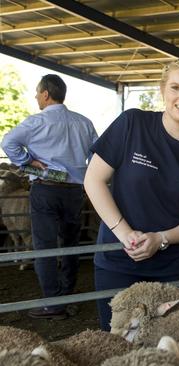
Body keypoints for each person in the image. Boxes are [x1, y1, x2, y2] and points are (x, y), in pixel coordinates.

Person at [84, 58, 179, 330]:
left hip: (171, 266)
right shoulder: (132, 124)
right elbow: (94, 180)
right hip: (118, 258)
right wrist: (125, 234)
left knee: (163, 344)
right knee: (116, 341)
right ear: (162, 90)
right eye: (175, 87)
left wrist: (161, 239)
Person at [1, 74, 97, 320]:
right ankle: (67, 294)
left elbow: (8, 141)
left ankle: (53, 303)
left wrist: (27, 163)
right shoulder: (84, 123)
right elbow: (97, 153)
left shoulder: (36, 122)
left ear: (45, 94)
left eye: (36, 93)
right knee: (70, 243)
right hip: (75, 191)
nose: (35, 97)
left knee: (44, 245)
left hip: (45, 188)